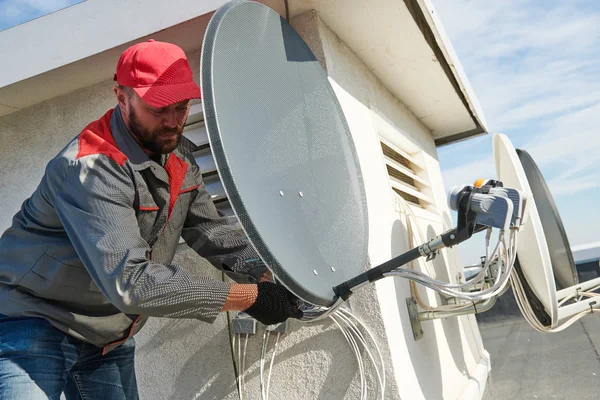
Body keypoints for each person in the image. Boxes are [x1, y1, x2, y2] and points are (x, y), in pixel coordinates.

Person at [0, 39, 303, 400]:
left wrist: (264, 272)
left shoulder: (179, 154)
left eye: (182, 106)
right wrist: (250, 297)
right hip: (34, 319)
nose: (173, 122)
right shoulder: (90, 167)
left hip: (108, 337)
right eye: (159, 108)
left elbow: (211, 229)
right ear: (122, 96)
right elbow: (133, 283)